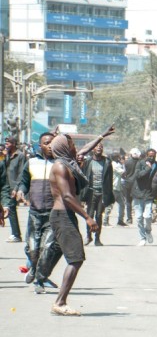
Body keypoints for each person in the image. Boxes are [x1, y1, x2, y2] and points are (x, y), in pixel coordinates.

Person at [48, 134, 97, 316]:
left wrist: (100, 137)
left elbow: (85, 150)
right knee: (75, 259)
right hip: (62, 215)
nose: (75, 146)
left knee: (74, 257)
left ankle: (54, 292)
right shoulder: (61, 166)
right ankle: (60, 302)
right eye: (71, 143)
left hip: (64, 215)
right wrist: (88, 217)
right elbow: (67, 196)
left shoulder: (66, 163)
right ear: (64, 147)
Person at [17, 133, 58, 293]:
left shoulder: (60, 164)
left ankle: (39, 281)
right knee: (32, 249)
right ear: (40, 145)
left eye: (52, 143)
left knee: (47, 248)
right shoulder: (31, 163)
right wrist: (21, 190)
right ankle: (33, 269)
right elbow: (24, 182)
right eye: (46, 143)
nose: (49, 146)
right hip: (34, 213)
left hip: (53, 213)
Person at [82, 143, 113, 246]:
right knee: (89, 215)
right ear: (93, 149)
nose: (99, 148)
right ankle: (88, 236)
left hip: (102, 193)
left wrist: (109, 195)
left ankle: (97, 238)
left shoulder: (107, 162)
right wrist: (82, 194)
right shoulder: (88, 162)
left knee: (99, 216)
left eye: (101, 147)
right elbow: (83, 176)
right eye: (97, 147)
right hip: (91, 192)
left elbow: (110, 180)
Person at [131, 150, 157, 246]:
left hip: (149, 194)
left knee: (148, 216)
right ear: (146, 155)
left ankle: (148, 230)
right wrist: (148, 168)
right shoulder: (140, 163)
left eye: (153, 156)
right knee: (138, 218)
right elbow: (138, 175)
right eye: (150, 156)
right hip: (138, 193)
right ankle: (142, 238)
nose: (151, 158)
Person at [5, 136, 26, 243]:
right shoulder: (6, 155)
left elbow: (21, 173)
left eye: (8, 143)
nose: (6, 145)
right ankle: (15, 233)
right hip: (5, 187)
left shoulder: (20, 156)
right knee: (10, 210)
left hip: (13, 187)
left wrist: (17, 188)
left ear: (13, 144)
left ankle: (16, 234)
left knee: (11, 209)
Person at [103, 153, 127, 227]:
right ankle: (105, 221)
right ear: (116, 158)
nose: (119, 159)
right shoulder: (114, 165)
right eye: (118, 157)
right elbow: (123, 171)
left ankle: (120, 220)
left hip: (117, 188)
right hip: (114, 187)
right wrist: (123, 164)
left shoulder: (115, 164)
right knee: (110, 205)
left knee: (122, 204)